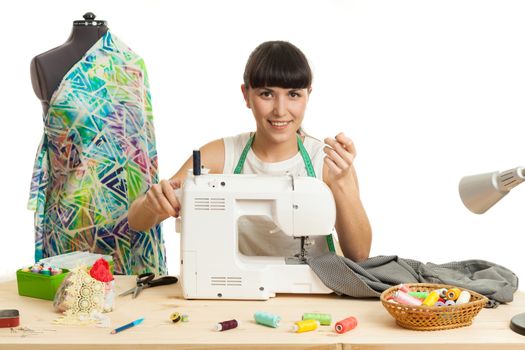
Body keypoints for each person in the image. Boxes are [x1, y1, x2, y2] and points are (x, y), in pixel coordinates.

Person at [128, 40, 372, 262]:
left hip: (314, 291)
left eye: (293, 95)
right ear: (246, 95)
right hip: (238, 294)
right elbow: (136, 221)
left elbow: (359, 254)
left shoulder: (329, 163)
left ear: (308, 95)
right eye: (267, 94)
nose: (280, 110)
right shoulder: (220, 156)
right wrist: (153, 204)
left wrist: (341, 184)